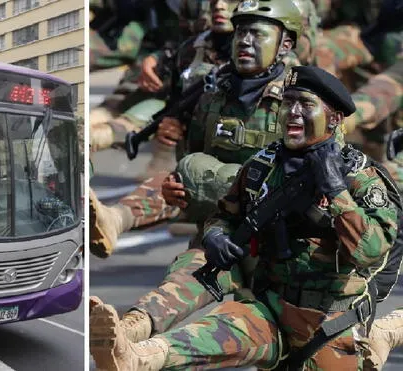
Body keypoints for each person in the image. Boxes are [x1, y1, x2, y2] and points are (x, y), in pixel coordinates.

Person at [90, 65, 398, 370]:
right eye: (287, 103)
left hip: (331, 324)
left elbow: (371, 251)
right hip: (270, 310)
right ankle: (137, 357)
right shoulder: (263, 166)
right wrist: (215, 236)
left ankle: (384, 334)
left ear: (334, 118)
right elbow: (224, 216)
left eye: (305, 104)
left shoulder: (361, 178)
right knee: (209, 336)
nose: (292, 112)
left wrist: (336, 190)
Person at [90, 0, 303, 257]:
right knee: (184, 180)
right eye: (212, 2)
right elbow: (185, 117)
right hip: (217, 185)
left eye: (230, 1)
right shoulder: (194, 50)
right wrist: (175, 125)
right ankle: (116, 218)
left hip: (271, 202)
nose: (219, 6)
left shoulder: (295, 83)